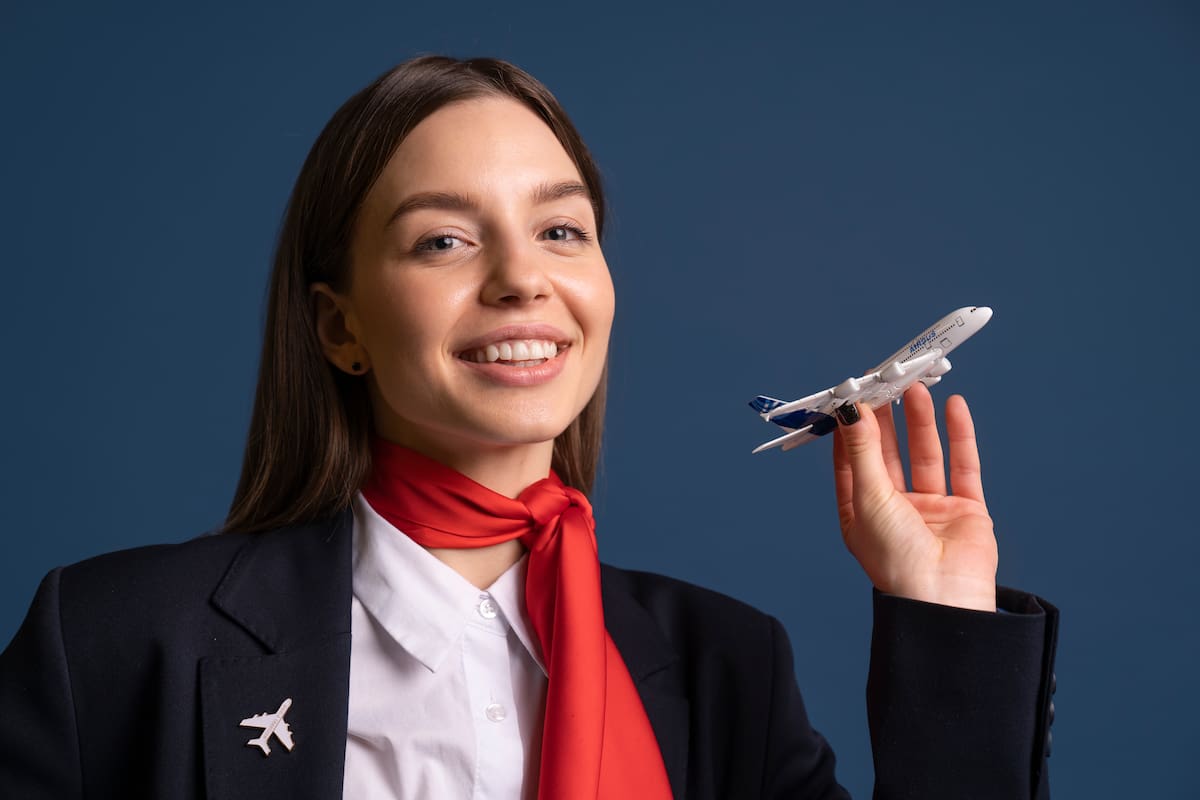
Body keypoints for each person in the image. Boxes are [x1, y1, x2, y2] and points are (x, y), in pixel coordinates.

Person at [0, 56, 1057, 799]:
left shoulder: (726, 665)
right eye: (445, 240)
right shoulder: (114, 637)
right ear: (340, 325)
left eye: (561, 229)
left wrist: (944, 613)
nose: (522, 279)